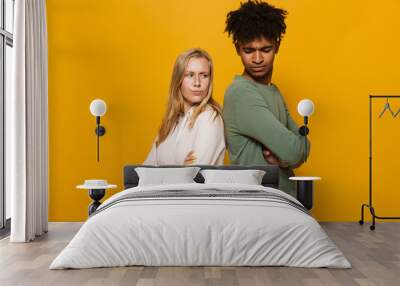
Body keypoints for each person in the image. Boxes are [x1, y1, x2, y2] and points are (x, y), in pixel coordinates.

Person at [222, 0, 310, 197]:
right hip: (260, 203)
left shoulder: (273, 91)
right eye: (249, 50)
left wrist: (284, 160)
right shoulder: (241, 93)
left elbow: (302, 147)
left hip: (284, 200)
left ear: (277, 46)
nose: (258, 59)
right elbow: (294, 151)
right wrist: (288, 156)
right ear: (238, 49)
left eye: (265, 49)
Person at [144, 48, 225, 166]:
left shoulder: (210, 117)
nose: (197, 83)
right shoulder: (170, 122)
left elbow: (195, 174)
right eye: (190, 75)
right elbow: (145, 172)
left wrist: (162, 173)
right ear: (178, 79)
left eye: (204, 75)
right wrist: (181, 168)